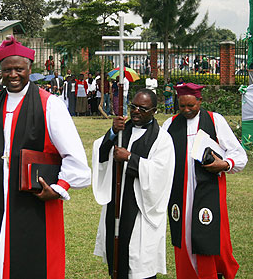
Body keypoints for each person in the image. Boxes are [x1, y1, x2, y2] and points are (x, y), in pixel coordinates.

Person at [0, 36, 90, 279]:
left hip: (33, 202)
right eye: (7, 70)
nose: (13, 75)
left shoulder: (50, 105)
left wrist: (59, 187)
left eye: (19, 69)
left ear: (29, 69)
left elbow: (74, 156)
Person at [162, 83, 248, 279]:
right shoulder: (170, 124)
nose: (186, 110)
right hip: (180, 193)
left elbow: (239, 155)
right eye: (182, 106)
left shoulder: (214, 120)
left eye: (191, 105)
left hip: (209, 190)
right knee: (184, 236)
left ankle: (212, 274)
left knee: (210, 235)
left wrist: (225, 164)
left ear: (200, 101)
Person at [92, 89, 175, 279]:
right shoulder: (122, 132)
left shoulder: (162, 139)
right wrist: (113, 132)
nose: (136, 111)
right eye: (133, 107)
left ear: (154, 110)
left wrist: (130, 158)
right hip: (117, 202)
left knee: (138, 262)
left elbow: (160, 172)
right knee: (117, 258)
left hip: (140, 208)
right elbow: (101, 152)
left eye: (143, 108)